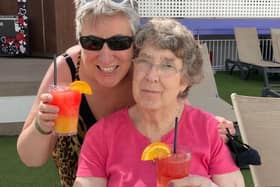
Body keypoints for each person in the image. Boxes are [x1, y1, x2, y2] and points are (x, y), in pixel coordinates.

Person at [16, 0, 235, 186]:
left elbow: (177, 116)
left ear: (134, 42)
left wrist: (211, 126)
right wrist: (41, 126)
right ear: (79, 41)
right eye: (92, 42)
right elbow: (31, 158)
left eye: (118, 42)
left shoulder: (145, 74)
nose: (106, 56)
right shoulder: (65, 71)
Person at [73, 18, 244, 187]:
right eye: (144, 61)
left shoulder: (208, 130)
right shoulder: (101, 136)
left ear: (184, 80)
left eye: (167, 66)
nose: (152, 76)